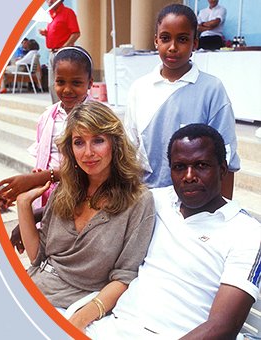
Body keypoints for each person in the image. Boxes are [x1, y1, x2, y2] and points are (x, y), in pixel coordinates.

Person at [86, 124, 261, 339]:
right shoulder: (155, 202)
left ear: (223, 169)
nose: (189, 176)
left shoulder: (246, 232)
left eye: (201, 165)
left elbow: (224, 325)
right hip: (115, 327)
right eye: (179, 167)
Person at [16, 101, 155, 331]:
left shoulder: (138, 200)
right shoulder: (66, 189)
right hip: (33, 287)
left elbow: (123, 278)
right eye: (79, 142)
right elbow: (37, 257)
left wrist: (79, 321)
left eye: (98, 140)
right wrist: (23, 206)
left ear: (115, 144)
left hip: (72, 306)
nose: (88, 153)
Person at [124, 3, 239, 198]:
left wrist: (222, 215)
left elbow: (226, 157)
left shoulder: (211, 89)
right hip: (147, 198)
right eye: (165, 38)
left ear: (195, 43)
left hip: (196, 201)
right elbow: (129, 150)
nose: (173, 47)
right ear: (156, 41)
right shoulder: (140, 89)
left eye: (183, 39)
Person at [0, 46, 94, 252]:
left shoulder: (98, 118)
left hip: (85, 200)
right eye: (60, 82)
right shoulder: (47, 117)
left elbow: (93, 171)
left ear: (90, 84)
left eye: (76, 83)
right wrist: (26, 188)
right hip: (49, 196)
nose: (67, 90)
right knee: (47, 247)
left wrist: (44, 177)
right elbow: (43, 162)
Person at [38, 0, 80, 103]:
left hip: (63, 53)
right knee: (52, 84)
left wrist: (64, 47)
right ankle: (56, 109)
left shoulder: (68, 13)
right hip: (52, 53)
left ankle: (66, 109)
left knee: (63, 83)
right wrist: (46, 33)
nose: (49, 1)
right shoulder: (51, 16)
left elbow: (76, 33)